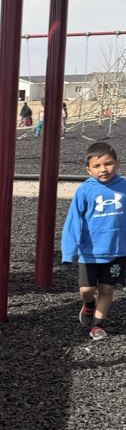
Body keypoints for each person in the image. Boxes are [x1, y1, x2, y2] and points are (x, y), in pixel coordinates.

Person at [61, 142, 126, 341]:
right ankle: (88, 304)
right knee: (87, 290)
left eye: (108, 164)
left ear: (118, 163)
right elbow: (73, 221)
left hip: (117, 251)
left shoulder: (124, 187)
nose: (103, 169)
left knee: (107, 289)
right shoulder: (85, 191)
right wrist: (68, 251)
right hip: (90, 252)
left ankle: (98, 325)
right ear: (88, 170)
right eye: (97, 166)